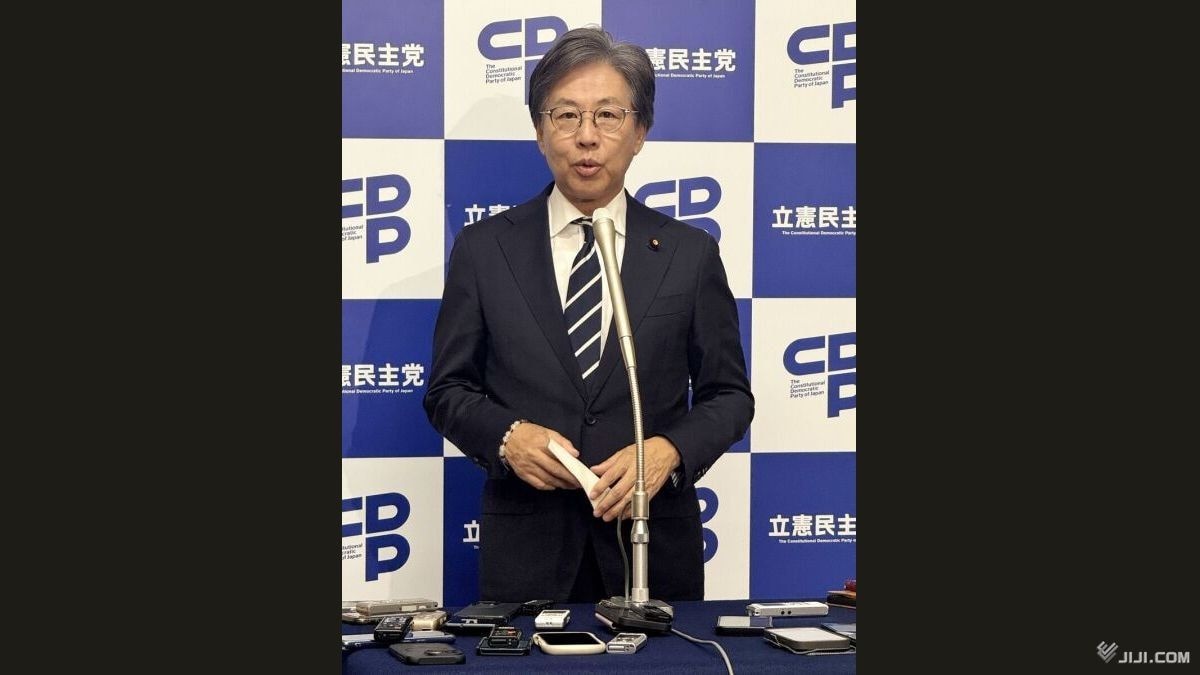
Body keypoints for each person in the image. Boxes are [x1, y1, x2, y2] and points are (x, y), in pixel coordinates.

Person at [423, 25, 753, 604]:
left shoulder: (689, 253)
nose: (587, 137)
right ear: (540, 131)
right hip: (527, 553)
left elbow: (729, 396)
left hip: (652, 546)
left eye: (608, 115)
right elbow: (447, 390)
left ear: (640, 132)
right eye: (566, 116)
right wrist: (507, 437)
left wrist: (668, 452)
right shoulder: (484, 249)